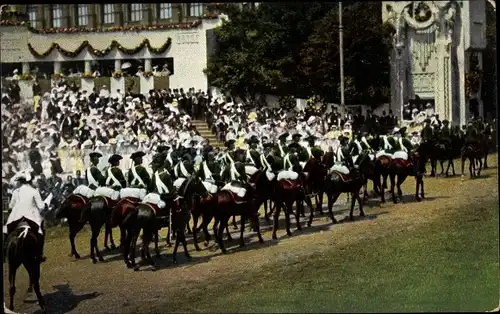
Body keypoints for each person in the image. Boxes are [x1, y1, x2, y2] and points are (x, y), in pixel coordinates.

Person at [5, 171, 47, 262]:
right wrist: (45, 205)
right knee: (41, 231)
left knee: (5, 230)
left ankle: (4, 252)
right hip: (31, 218)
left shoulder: (15, 192)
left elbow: (11, 206)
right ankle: (40, 254)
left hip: (16, 218)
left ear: (20, 182)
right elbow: (41, 206)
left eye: (18, 181)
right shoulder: (34, 191)